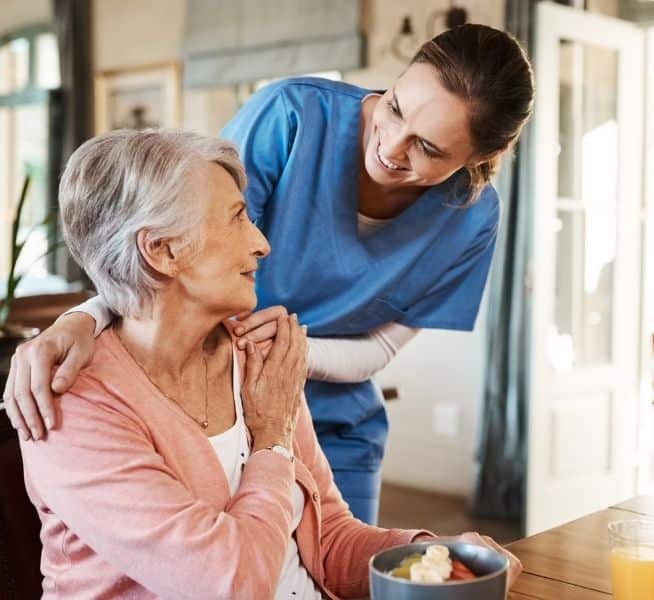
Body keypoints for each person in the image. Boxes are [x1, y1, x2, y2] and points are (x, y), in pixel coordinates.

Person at [4, 24, 535, 525]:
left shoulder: (471, 219)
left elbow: (381, 350)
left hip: (334, 423)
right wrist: (85, 317)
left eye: (428, 147)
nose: (390, 147)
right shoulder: (292, 116)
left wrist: (285, 357)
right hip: (210, 403)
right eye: (394, 108)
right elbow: (170, 242)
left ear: (481, 157)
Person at [19, 129, 521, 599]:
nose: (261, 242)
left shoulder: (255, 356)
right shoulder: (71, 405)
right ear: (162, 251)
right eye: (237, 217)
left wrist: (438, 558)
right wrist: (272, 440)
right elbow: (234, 582)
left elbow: (329, 539)